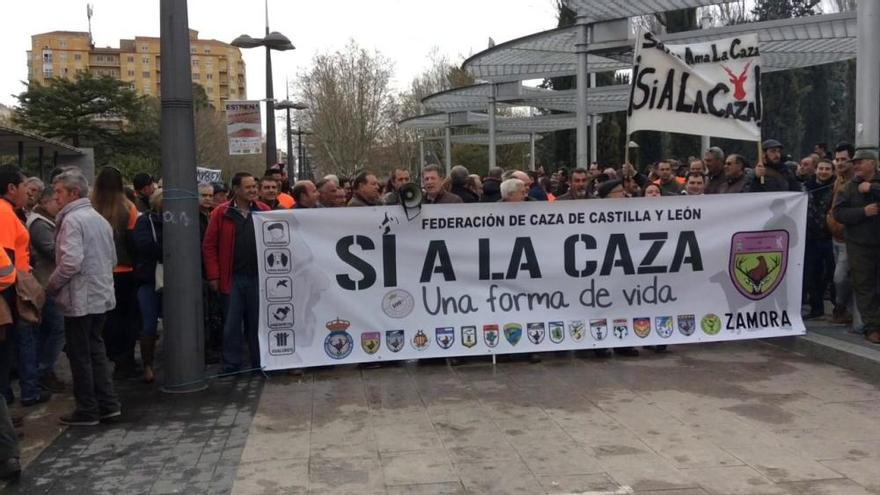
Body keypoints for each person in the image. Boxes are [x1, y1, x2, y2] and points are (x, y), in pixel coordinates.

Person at [47, 169, 121, 426]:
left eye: (59, 192)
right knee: (96, 350)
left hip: (80, 299)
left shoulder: (72, 221)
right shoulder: (98, 219)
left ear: (73, 193)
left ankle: (88, 409)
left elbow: (71, 262)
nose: (55, 197)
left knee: (80, 355)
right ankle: (108, 404)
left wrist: (52, 285)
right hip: (100, 296)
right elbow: (112, 258)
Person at [203, 172, 270, 373]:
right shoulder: (220, 213)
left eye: (254, 186)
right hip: (232, 277)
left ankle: (260, 361)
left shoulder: (264, 210)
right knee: (232, 323)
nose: (253, 190)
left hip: (258, 277)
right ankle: (232, 363)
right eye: (248, 187)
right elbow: (209, 246)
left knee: (257, 322)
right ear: (237, 189)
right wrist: (214, 275)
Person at [0, 166, 47, 409]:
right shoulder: (4, 213)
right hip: (11, 291)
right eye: (23, 186)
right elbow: (5, 261)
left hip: (13, 288)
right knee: (14, 347)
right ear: (11, 188)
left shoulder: (9, 211)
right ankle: (13, 401)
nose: (27, 193)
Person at [92, 167, 140, 379]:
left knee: (107, 318)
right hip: (126, 270)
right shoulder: (128, 207)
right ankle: (126, 360)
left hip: (100, 271)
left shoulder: (92, 207)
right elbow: (134, 241)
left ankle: (109, 356)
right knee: (127, 317)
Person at [832, 148, 880, 344]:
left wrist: (873, 189)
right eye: (856, 162)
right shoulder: (849, 188)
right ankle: (872, 326)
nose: (857, 165)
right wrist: (863, 212)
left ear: (873, 164)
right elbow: (839, 214)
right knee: (864, 286)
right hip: (859, 245)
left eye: (861, 162)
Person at [26, 187, 66, 393]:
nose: (59, 205)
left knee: (50, 329)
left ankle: (43, 369)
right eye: (56, 201)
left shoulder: (44, 221)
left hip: (49, 280)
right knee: (57, 328)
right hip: (45, 282)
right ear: (46, 201)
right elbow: (51, 251)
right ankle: (44, 370)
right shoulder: (39, 224)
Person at [596, 178, 640, 357]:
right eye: (619, 192)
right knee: (602, 306)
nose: (624, 194)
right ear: (608, 196)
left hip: (624, 267)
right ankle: (599, 344)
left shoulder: (630, 213)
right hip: (603, 270)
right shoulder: (595, 215)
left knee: (623, 306)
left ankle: (623, 343)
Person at [132, 191, 163, 383]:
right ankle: (148, 365)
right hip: (150, 278)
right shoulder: (145, 222)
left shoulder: (180, 219)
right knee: (149, 324)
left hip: (171, 278)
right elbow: (143, 246)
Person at [828, 142, 859, 326]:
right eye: (837, 159)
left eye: (844, 160)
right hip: (835, 236)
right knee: (841, 276)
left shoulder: (857, 181)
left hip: (849, 238)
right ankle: (845, 311)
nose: (839, 163)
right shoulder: (838, 179)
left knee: (840, 277)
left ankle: (841, 307)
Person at [802, 159, 836, 320]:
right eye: (821, 168)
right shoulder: (805, 187)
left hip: (830, 236)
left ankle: (838, 307)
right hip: (810, 237)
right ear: (816, 170)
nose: (823, 171)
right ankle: (816, 307)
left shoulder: (836, 188)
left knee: (832, 274)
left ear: (832, 171)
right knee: (811, 274)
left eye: (827, 169)